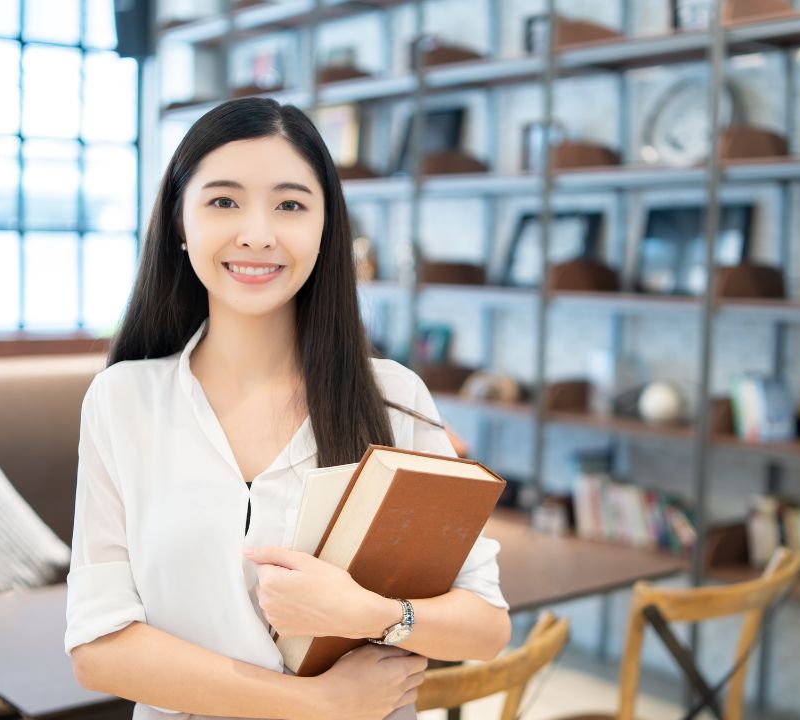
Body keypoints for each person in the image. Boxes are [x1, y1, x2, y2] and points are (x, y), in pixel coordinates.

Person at [63, 97, 511, 720]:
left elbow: (485, 627)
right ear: (179, 223)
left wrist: (370, 614)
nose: (257, 233)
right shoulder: (123, 400)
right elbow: (99, 647)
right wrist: (318, 704)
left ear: (326, 229)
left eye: (291, 204)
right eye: (223, 201)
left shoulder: (395, 398)